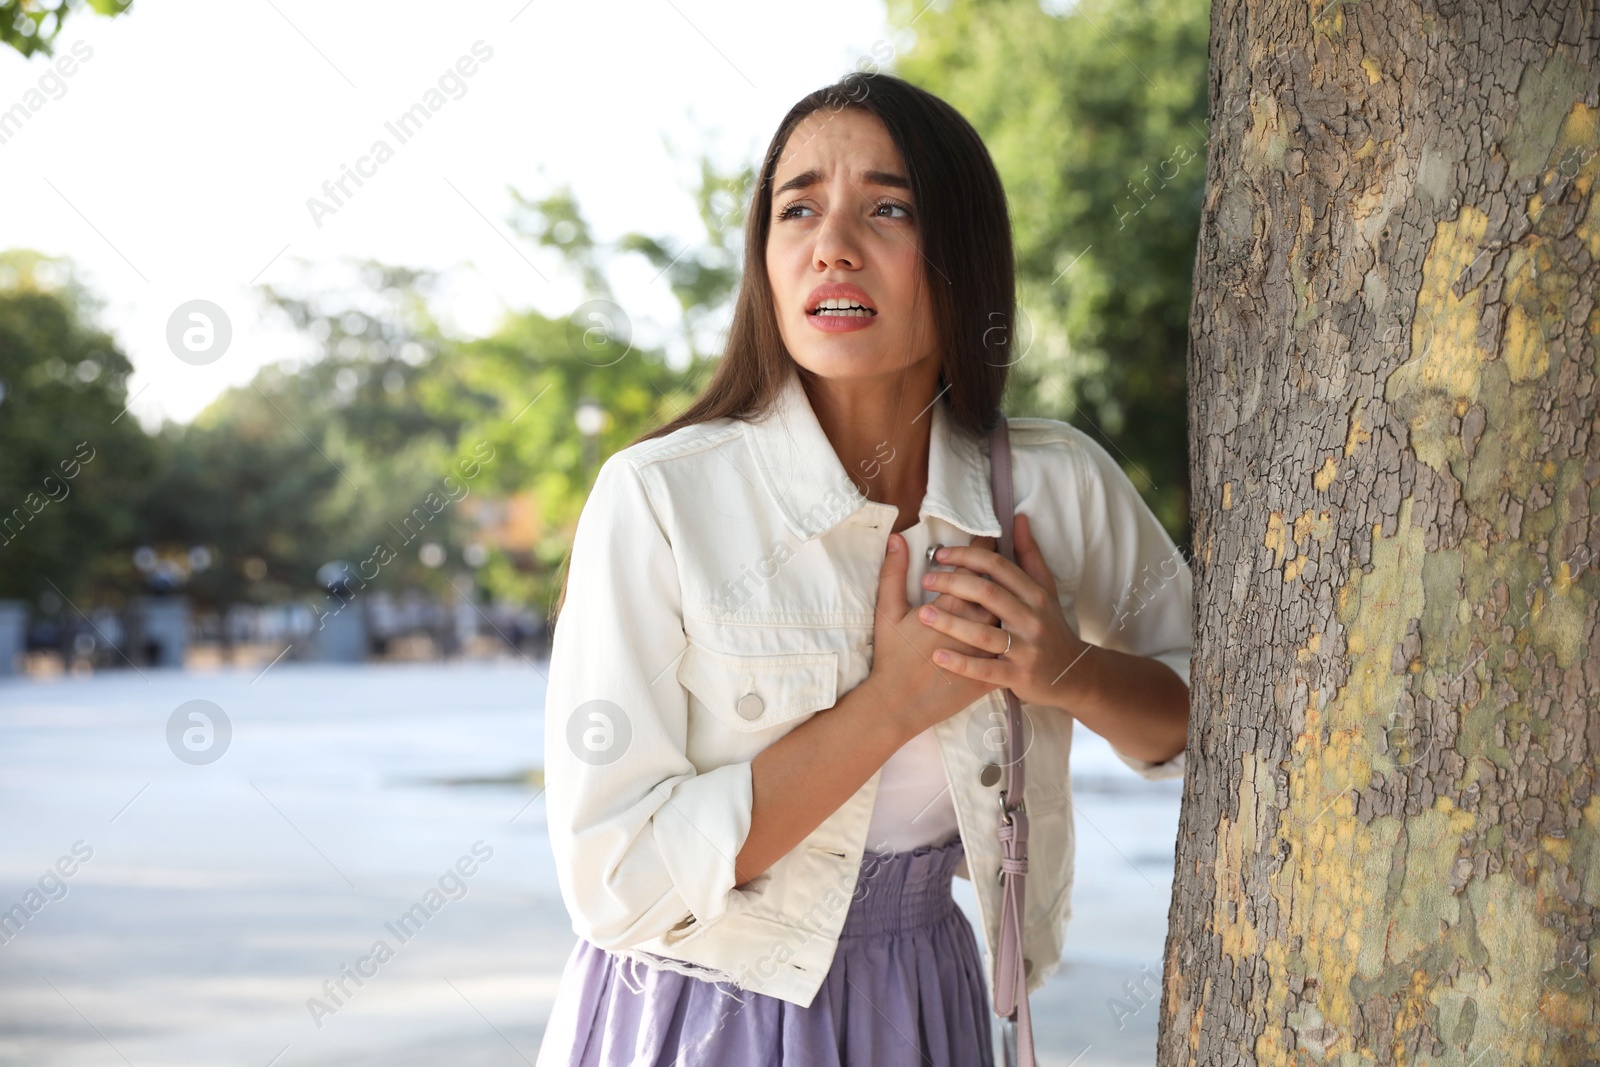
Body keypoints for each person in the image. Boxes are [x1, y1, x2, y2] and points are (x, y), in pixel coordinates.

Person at [536, 70, 1191, 1067]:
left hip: (924, 999)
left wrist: (1066, 671)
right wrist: (888, 706)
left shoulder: (1053, 487)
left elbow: (1211, 714)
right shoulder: (658, 499)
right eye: (797, 207)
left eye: (887, 208)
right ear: (765, 256)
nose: (831, 244)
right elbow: (613, 877)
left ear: (962, 256)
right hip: (699, 1010)